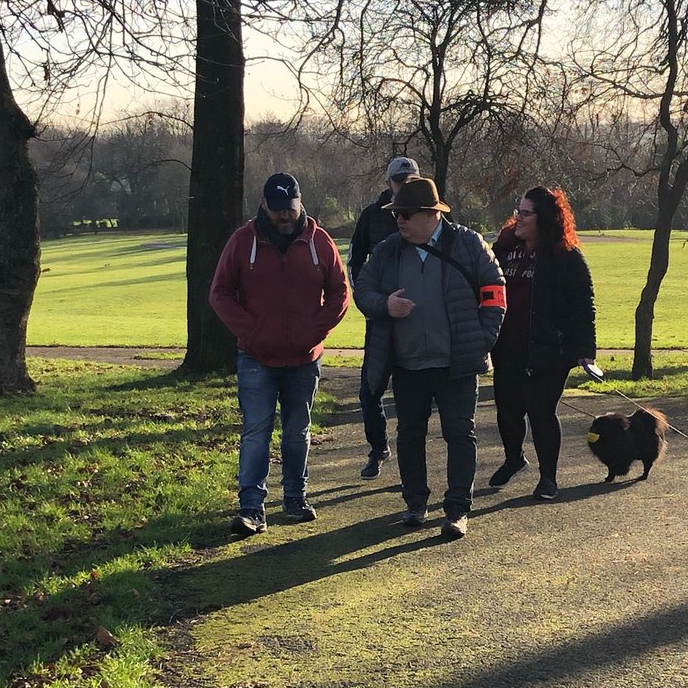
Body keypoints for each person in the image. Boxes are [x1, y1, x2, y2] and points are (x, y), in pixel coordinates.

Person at [354, 176, 506, 540]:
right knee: (409, 435)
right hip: (407, 365)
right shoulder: (389, 250)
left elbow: (496, 294)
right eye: (396, 214)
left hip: (457, 365)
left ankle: (457, 510)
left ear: (430, 215)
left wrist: (480, 341)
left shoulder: (469, 244)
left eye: (405, 214)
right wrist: (384, 305)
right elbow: (363, 290)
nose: (399, 221)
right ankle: (415, 504)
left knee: (459, 434)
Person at [210, 172, 349, 537]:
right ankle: (251, 508)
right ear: (263, 205)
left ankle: (295, 497)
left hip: (304, 357)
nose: (284, 216)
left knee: (296, 431)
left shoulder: (319, 242)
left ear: (300, 203)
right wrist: (251, 331)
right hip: (256, 356)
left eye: (289, 208)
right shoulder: (243, 241)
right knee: (256, 430)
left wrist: (315, 330)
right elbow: (220, 292)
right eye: (277, 209)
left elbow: (340, 291)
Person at [488, 185, 597, 501]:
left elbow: (583, 304)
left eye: (525, 213)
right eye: (517, 211)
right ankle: (514, 459)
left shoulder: (566, 257)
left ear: (545, 218)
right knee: (507, 410)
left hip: (549, 351)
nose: (518, 218)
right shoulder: (505, 248)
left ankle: (548, 478)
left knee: (541, 412)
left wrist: (585, 353)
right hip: (507, 347)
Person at [348, 155, 419, 479]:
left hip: (418, 323)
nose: (404, 186)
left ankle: (409, 463)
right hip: (380, 320)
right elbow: (355, 262)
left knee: (410, 396)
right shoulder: (371, 217)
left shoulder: (429, 214)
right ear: (389, 184)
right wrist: (371, 302)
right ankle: (378, 449)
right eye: (398, 181)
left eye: (409, 180)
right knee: (370, 390)